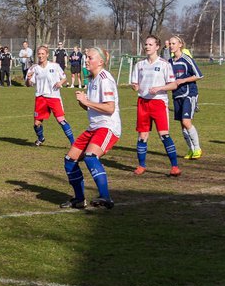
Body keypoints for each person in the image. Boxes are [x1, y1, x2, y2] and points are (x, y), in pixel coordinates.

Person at [61, 47, 120, 210]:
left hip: (107, 127)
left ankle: (106, 197)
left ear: (100, 61)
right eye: (86, 57)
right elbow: (93, 108)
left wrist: (86, 102)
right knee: (69, 160)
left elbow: (109, 108)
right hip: (94, 127)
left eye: (90, 57)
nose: (86, 60)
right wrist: (84, 103)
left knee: (90, 156)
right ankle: (79, 199)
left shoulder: (105, 79)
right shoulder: (92, 80)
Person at [130, 35, 181, 177]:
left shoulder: (164, 64)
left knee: (164, 135)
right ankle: (141, 165)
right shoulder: (139, 65)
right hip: (143, 103)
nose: (147, 47)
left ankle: (175, 166)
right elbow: (135, 83)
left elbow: (173, 84)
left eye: (150, 44)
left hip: (158, 102)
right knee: (142, 135)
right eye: (146, 44)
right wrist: (135, 87)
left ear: (157, 47)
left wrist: (159, 88)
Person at [26, 45, 75, 147]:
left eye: (43, 54)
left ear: (47, 55)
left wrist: (59, 83)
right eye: (39, 54)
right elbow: (28, 84)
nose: (40, 56)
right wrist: (28, 79)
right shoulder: (33, 68)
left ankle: (73, 143)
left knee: (61, 120)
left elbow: (64, 78)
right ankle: (40, 138)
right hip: (40, 98)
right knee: (36, 124)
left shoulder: (54, 66)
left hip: (54, 97)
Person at [165, 36, 204, 159]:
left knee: (186, 122)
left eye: (174, 43)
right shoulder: (170, 62)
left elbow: (199, 75)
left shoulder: (186, 59)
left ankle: (197, 148)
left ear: (180, 44)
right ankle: (191, 149)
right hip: (177, 95)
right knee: (182, 125)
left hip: (189, 94)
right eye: (170, 43)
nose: (171, 45)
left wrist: (183, 80)